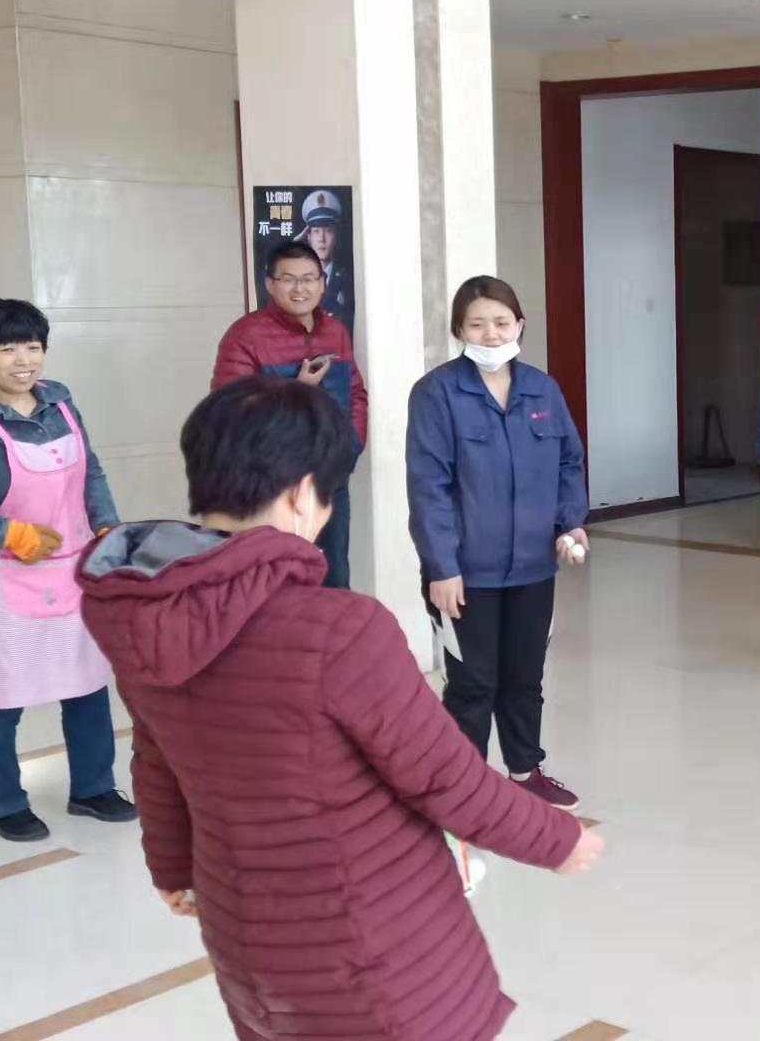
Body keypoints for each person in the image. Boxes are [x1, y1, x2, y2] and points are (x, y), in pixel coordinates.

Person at [78, 376, 604, 1041]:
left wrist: (171, 866)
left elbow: (156, 762)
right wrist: (557, 839)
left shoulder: (142, 614)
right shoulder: (340, 628)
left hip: (242, 934)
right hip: (375, 942)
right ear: (303, 494)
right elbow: (443, 777)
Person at [0, 298, 136, 842]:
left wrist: (108, 528)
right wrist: (8, 533)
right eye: (7, 349)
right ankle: (2, 804)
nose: (25, 361)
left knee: (87, 681)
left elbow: (91, 472)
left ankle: (94, 787)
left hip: (72, 565)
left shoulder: (60, 401)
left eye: (33, 347)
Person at [406, 277, 589, 811]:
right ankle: (459, 789)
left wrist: (570, 524)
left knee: (525, 676)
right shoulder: (437, 393)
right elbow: (429, 486)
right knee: (472, 683)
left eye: (501, 322)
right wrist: (442, 566)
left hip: (533, 567)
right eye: (477, 324)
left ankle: (525, 772)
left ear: (520, 326)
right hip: (465, 573)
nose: (491, 334)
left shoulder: (542, 390)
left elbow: (568, 462)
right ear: (459, 330)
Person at [212, 240, 368, 589]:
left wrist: (349, 450)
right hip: (270, 488)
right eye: (288, 279)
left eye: (309, 278)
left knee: (334, 580)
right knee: (279, 585)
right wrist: (296, 391)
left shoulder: (335, 332)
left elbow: (356, 395)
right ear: (270, 284)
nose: (300, 289)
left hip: (328, 482)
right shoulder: (246, 335)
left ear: (322, 283)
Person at [298, 189, 355, 326]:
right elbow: (268, 282)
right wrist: (290, 247)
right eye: (316, 232)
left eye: (328, 231)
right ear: (308, 237)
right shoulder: (298, 277)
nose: (322, 239)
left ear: (335, 236)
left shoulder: (349, 279)